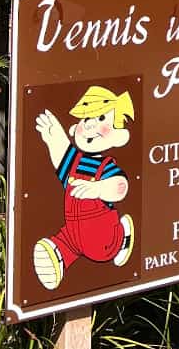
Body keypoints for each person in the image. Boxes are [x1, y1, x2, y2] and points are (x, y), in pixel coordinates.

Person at [32, 85, 136, 291]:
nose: (89, 126)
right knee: (65, 244)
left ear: (119, 136)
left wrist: (98, 189)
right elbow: (62, 156)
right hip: (71, 232)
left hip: (102, 234)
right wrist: (55, 138)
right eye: (86, 120)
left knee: (103, 249)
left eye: (100, 120)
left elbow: (120, 186)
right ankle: (58, 259)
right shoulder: (76, 162)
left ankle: (122, 238)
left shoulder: (106, 166)